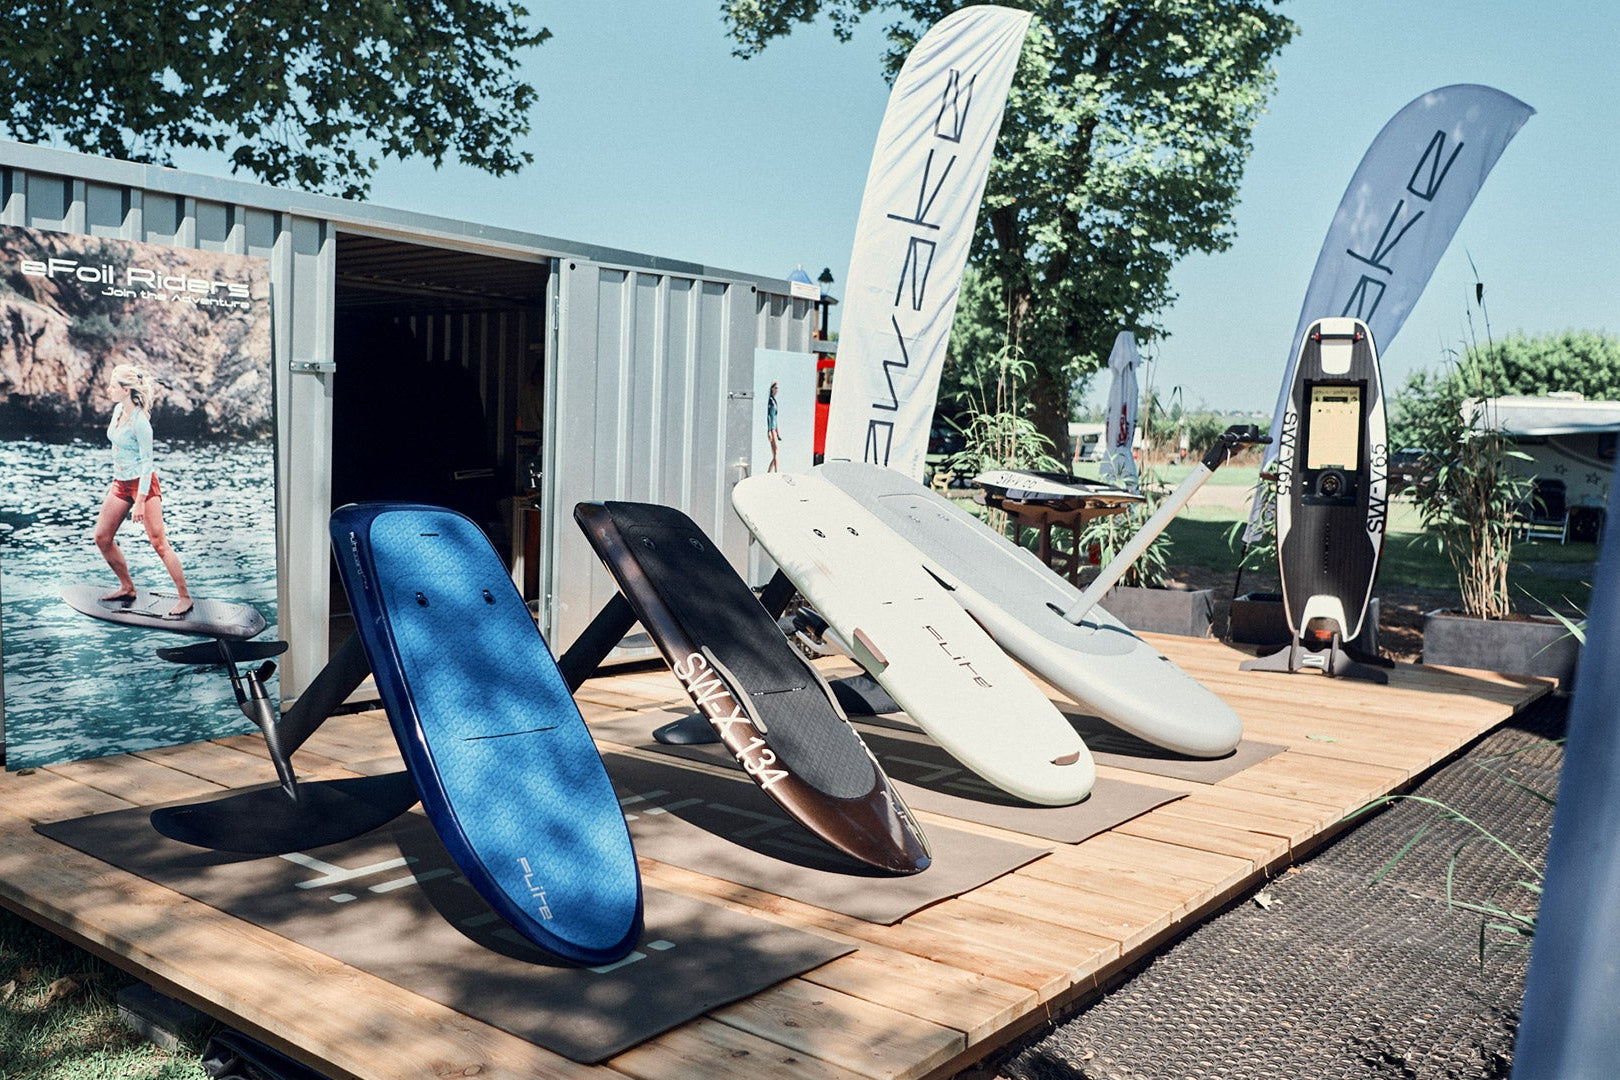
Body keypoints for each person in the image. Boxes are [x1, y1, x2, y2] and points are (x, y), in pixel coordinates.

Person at [94, 363, 192, 617]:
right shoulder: (117, 411)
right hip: (120, 482)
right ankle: (127, 587)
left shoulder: (141, 423)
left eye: (113, 386)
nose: (109, 389)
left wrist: (139, 501)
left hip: (143, 485)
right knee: (102, 537)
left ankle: (185, 597)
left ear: (125, 390)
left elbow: (148, 465)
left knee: (159, 543)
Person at [766, 381, 781, 473]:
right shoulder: (770, 401)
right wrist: (769, 431)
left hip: (774, 428)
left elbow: (775, 417)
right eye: (775, 388)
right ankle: (776, 471)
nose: (776, 390)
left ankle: (769, 472)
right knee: (776, 452)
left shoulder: (775, 401)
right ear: (772, 389)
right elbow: (769, 416)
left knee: (776, 452)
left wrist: (778, 432)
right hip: (771, 428)